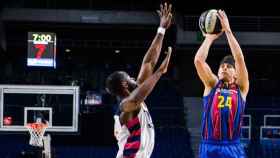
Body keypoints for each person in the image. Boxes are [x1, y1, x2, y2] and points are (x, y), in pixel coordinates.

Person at [105, 3, 173, 158]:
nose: (133, 78)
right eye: (129, 77)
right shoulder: (125, 106)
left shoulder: (134, 95)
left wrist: (161, 30)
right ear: (124, 84)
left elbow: (148, 63)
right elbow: (136, 98)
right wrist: (160, 72)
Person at [194, 10, 249, 158]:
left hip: (232, 147)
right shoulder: (212, 85)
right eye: (222, 66)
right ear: (217, 72)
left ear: (236, 73)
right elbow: (199, 61)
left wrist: (228, 31)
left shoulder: (241, 88)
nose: (224, 67)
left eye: (229, 67)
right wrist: (210, 38)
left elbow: (239, 59)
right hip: (209, 145)